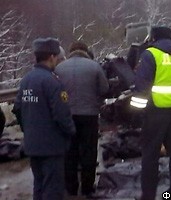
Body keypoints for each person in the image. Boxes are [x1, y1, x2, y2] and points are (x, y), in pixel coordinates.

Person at [131, 26, 171, 199]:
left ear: (153, 37)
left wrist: (137, 113)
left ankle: (148, 195)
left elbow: (142, 86)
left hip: (155, 112)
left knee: (150, 154)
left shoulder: (150, 54)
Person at [12, 37, 76, 200]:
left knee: (39, 186)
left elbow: (17, 108)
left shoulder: (26, 79)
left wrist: (29, 129)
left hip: (33, 145)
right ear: (52, 57)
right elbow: (61, 114)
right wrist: (70, 132)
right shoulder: (53, 82)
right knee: (53, 189)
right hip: (52, 146)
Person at [55, 41, 109, 196]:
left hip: (67, 116)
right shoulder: (94, 66)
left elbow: (54, 91)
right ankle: (87, 188)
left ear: (70, 52)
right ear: (86, 51)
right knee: (89, 151)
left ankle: (71, 187)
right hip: (89, 115)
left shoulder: (59, 68)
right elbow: (104, 89)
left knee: (69, 152)